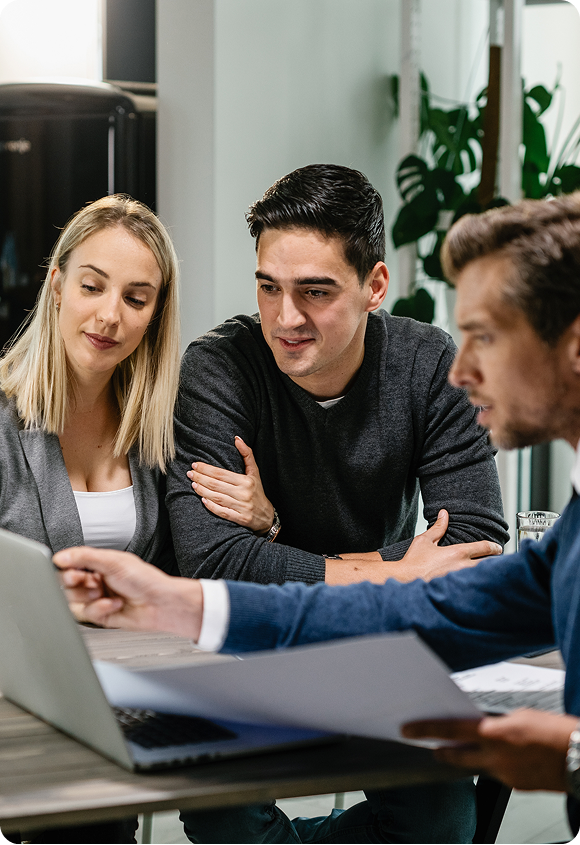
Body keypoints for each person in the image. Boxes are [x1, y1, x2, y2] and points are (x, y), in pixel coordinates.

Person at [57, 191, 580, 843]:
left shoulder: (427, 366)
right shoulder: (220, 365)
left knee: (442, 820)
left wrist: (574, 755)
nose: (465, 370)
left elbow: (468, 558)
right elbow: (223, 562)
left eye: (487, 335)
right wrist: (186, 599)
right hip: (266, 649)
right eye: (268, 287)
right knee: (227, 819)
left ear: (374, 286)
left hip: (380, 649)